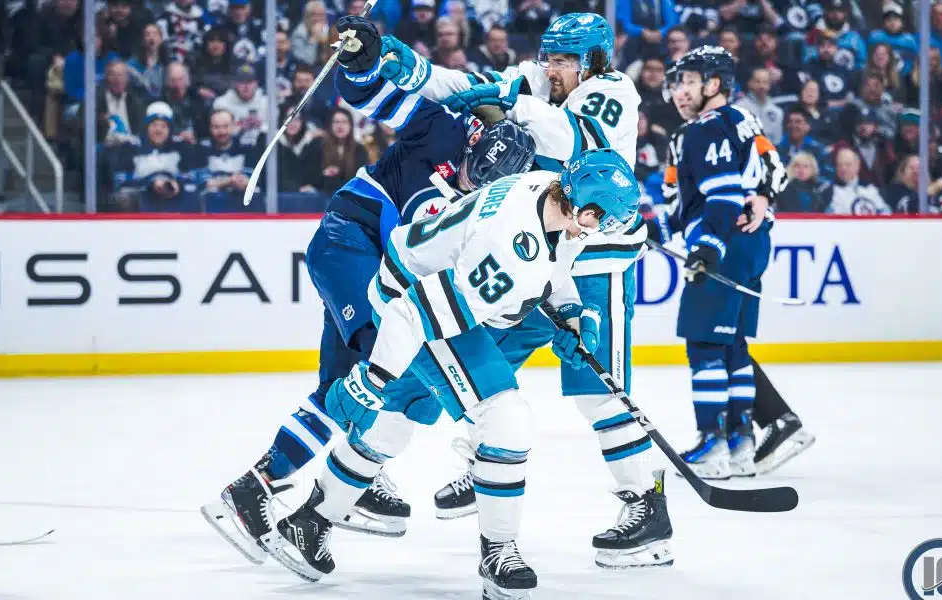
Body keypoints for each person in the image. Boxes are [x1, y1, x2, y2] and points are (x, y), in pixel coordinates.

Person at [200, 15, 538, 561]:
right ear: (473, 139)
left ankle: (252, 490)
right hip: (349, 241)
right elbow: (367, 93)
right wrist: (361, 61)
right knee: (381, 368)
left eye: (485, 183)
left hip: (376, 268)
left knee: (341, 387)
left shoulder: (490, 203)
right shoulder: (442, 127)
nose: (471, 183)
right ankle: (350, 475)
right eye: (473, 171)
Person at [269, 149, 643, 600]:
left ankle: (310, 522)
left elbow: (554, 263)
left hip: (424, 281)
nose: (598, 229)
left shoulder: (549, 190)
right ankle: (498, 551)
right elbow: (412, 313)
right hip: (411, 298)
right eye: (601, 220)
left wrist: (572, 313)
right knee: (506, 417)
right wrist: (371, 380)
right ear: (585, 206)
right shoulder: (511, 251)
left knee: (395, 420)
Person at [378, 14, 679, 570]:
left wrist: (509, 103)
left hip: (595, 266)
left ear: (591, 62)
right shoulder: (537, 82)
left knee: (598, 389)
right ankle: (476, 461)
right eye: (548, 58)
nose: (551, 69)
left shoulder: (614, 90)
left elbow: (571, 139)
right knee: (468, 368)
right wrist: (409, 69)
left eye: (563, 61)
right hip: (533, 258)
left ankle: (647, 507)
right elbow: (468, 86)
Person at [667, 46, 774, 480]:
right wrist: (764, 198)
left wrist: (708, 245)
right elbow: (773, 172)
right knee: (733, 345)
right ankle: (740, 443)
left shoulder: (705, 128)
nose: (680, 90)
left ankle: (712, 443)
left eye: (690, 81)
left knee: (704, 344)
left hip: (725, 243)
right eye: (679, 82)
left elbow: (724, 194)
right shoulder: (742, 120)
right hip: (753, 243)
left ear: (714, 84)